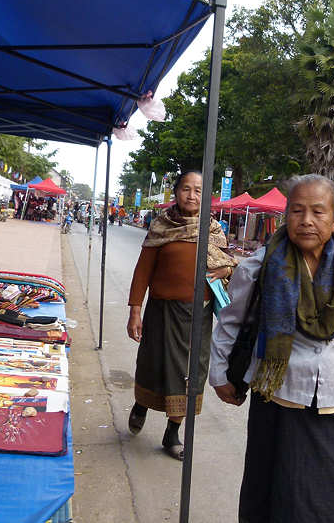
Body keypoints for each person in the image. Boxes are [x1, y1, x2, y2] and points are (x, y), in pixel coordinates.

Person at [210, 174, 334, 523]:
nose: (307, 221)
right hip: (279, 399)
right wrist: (220, 373)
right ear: (285, 216)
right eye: (297, 211)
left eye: (317, 211)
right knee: (276, 497)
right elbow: (231, 320)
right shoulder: (261, 265)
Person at [126, 170, 237, 460]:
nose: (191, 195)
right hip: (161, 313)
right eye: (186, 189)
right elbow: (143, 270)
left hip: (198, 316)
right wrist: (135, 310)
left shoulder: (213, 230)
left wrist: (226, 269)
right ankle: (142, 404)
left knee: (192, 375)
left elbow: (228, 264)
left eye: (198, 190)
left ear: (205, 196)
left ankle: (172, 433)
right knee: (153, 366)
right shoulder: (161, 226)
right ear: (176, 193)